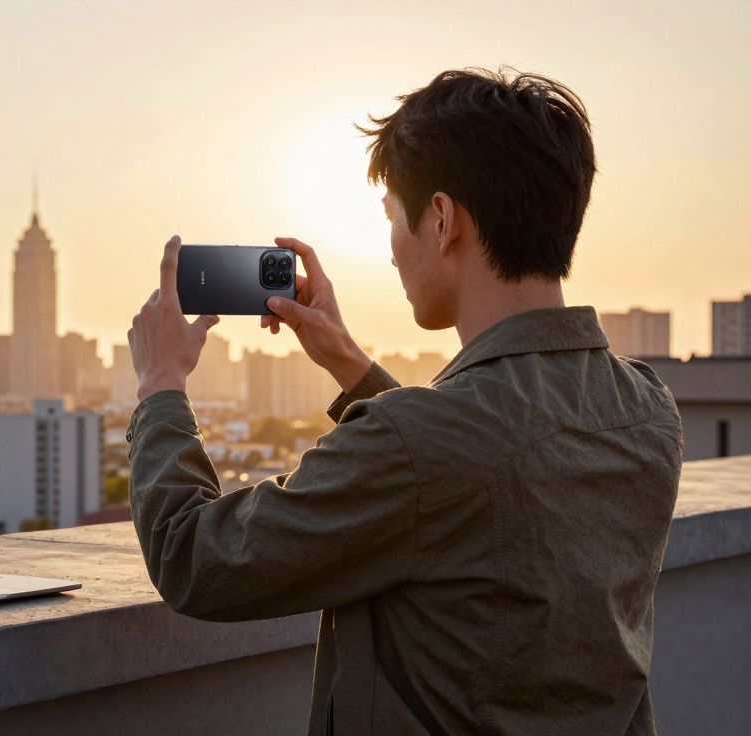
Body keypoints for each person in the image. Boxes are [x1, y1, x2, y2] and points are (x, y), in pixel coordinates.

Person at [124, 68, 683, 735]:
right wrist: (348, 364)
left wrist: (161, 386)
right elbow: (479, 476)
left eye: (393, 218)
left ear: (442, 220)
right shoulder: (646, 408)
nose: (391, 251)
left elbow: (194, 559)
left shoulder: (421, 446)